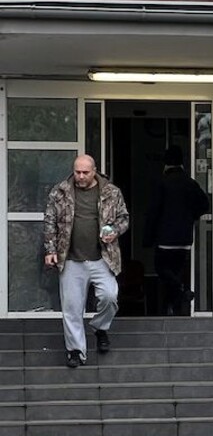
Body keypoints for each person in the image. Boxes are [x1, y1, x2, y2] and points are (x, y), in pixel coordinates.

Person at [43, 155, 130, 368]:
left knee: (110, 297)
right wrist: (50, 250)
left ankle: (100, 327)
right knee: (72, 308)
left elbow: (123, 218)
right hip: (71, 259)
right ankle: (75, 351)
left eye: (85, 172)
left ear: (94, 171)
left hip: (103, 257)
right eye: (77, 172)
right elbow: (50, 221)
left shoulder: (111, 191)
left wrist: (115, 232)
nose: (80, 176)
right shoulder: (60, 191)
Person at [144, 146, 210, 317]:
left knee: (162, 269)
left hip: (165, 238)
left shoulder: (161, 182)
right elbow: (205, 205)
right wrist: (191, 216)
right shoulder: (190, 183)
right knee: (175, 272)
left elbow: (153, 211)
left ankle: (181, 291)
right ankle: (171, 308)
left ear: (165, 163)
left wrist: (147, 238)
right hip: (184, 239)